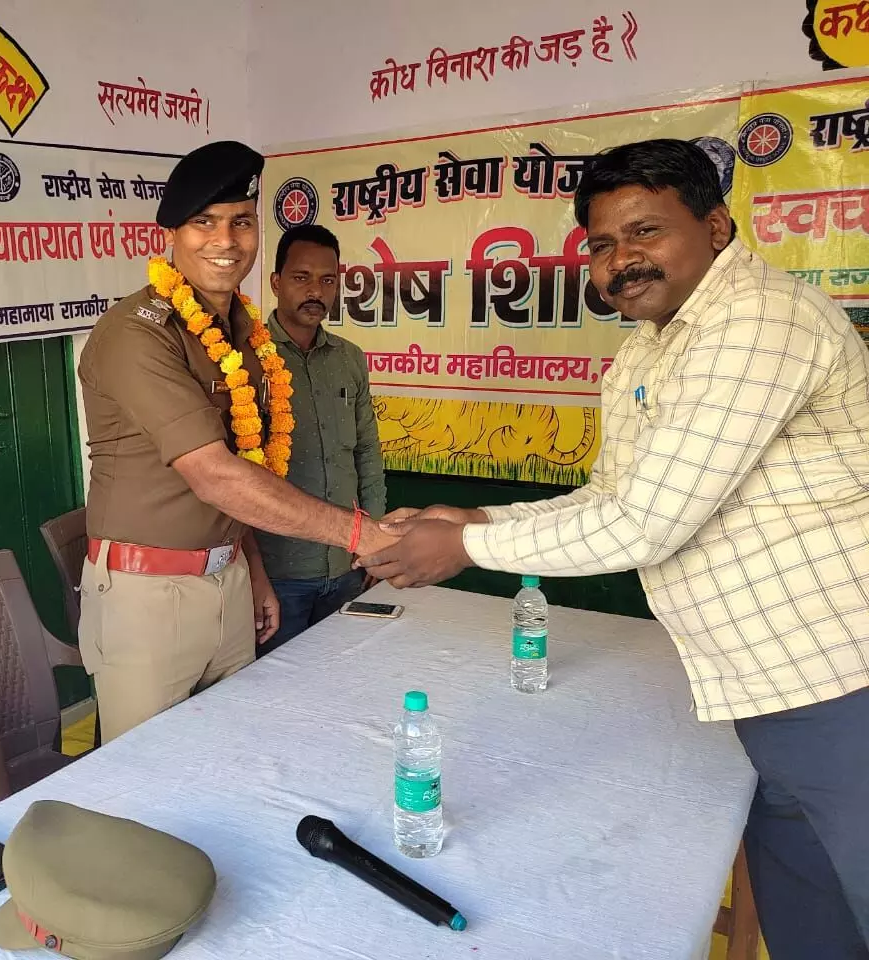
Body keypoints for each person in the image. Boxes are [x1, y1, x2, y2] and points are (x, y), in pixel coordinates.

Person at [359, 138, 869, 960]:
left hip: (846, 686)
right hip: (768, 690)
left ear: (714, 225)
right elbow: (615, 495)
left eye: (646, 232)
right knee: (814, 922)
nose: (622, 259)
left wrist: (462, 546)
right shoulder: (650, 345)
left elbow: (647, 523)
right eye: (601, 244)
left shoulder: (758, 321)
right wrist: (478, 513)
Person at [77, 141, 397, 743]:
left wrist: (251, 568)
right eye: (204, 222)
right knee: (148, 782)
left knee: (233, 756)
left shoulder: (242, 335)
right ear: (171, 231)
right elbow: (216, 475)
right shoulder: (137, 334)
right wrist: (364, 535)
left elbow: (248, 469)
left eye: (241, 222)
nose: (225, 241)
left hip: (228, 583)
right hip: (149, 596)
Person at [255, 224, 385, 655]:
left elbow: (367, 451)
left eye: (327, 280)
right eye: (301, 277)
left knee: (344, 687)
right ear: (276, 282)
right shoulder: (246, 361)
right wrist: (253, 574)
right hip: (279, 576)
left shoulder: (349, 358)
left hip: (348, 565)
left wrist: (377, 538)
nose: (316, 291)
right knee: (278, 698)